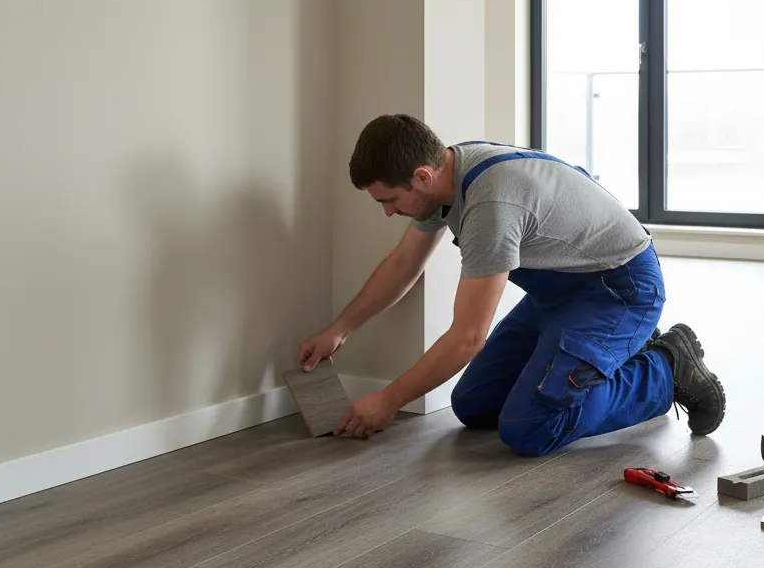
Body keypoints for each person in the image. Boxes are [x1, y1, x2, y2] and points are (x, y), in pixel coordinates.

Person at [297, 114, 725, 454]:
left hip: (620, 290)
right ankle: (604, 354)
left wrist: (389, 400)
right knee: (474, 404)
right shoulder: (448, 173)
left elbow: (468, 338)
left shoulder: (490, 204)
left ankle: (665, 367)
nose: (388, 212)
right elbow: (403, 264)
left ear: (422, 177)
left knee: (530, 428)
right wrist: (340, 329)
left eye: (390, 200)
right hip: (558, 292)